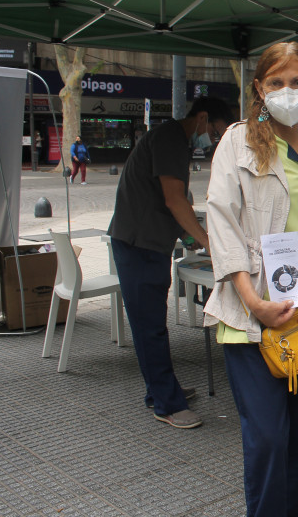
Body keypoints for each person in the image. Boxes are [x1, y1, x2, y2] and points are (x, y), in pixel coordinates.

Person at [203, 43, 298, 517]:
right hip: (255, 323)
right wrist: (253, 301)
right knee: (268, 439)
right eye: (275, 83)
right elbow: (221, 223)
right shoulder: (238, 142)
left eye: (296, 83)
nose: (287, 92)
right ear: (259, 89)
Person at [109, 96, 232, 430]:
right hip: (138, 245)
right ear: (203, 118)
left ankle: (161, 391)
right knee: (150, 328)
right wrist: (209, 243)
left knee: (152, 325)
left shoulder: (171, 140)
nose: (215, 140)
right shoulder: (170, 138)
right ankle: (166, 403)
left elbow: (173, 203)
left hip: (147, 244)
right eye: (216, 132)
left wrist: (193, 238)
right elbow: (174, 199)